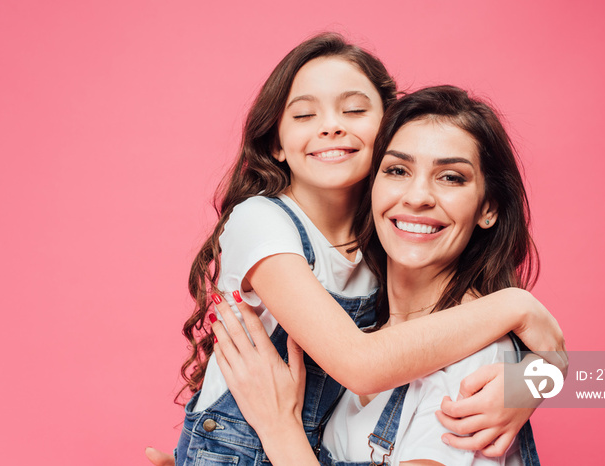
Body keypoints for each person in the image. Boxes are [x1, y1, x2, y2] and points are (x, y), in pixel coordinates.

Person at [167, 32, 564, 466]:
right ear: (275, 142)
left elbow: (365, 365)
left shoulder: (378, 262)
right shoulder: (263, 221)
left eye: (354, 110)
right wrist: (522, 314)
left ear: (380, 129)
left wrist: (541, 374)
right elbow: (360, 364)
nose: (331, 126)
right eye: (399, 170)